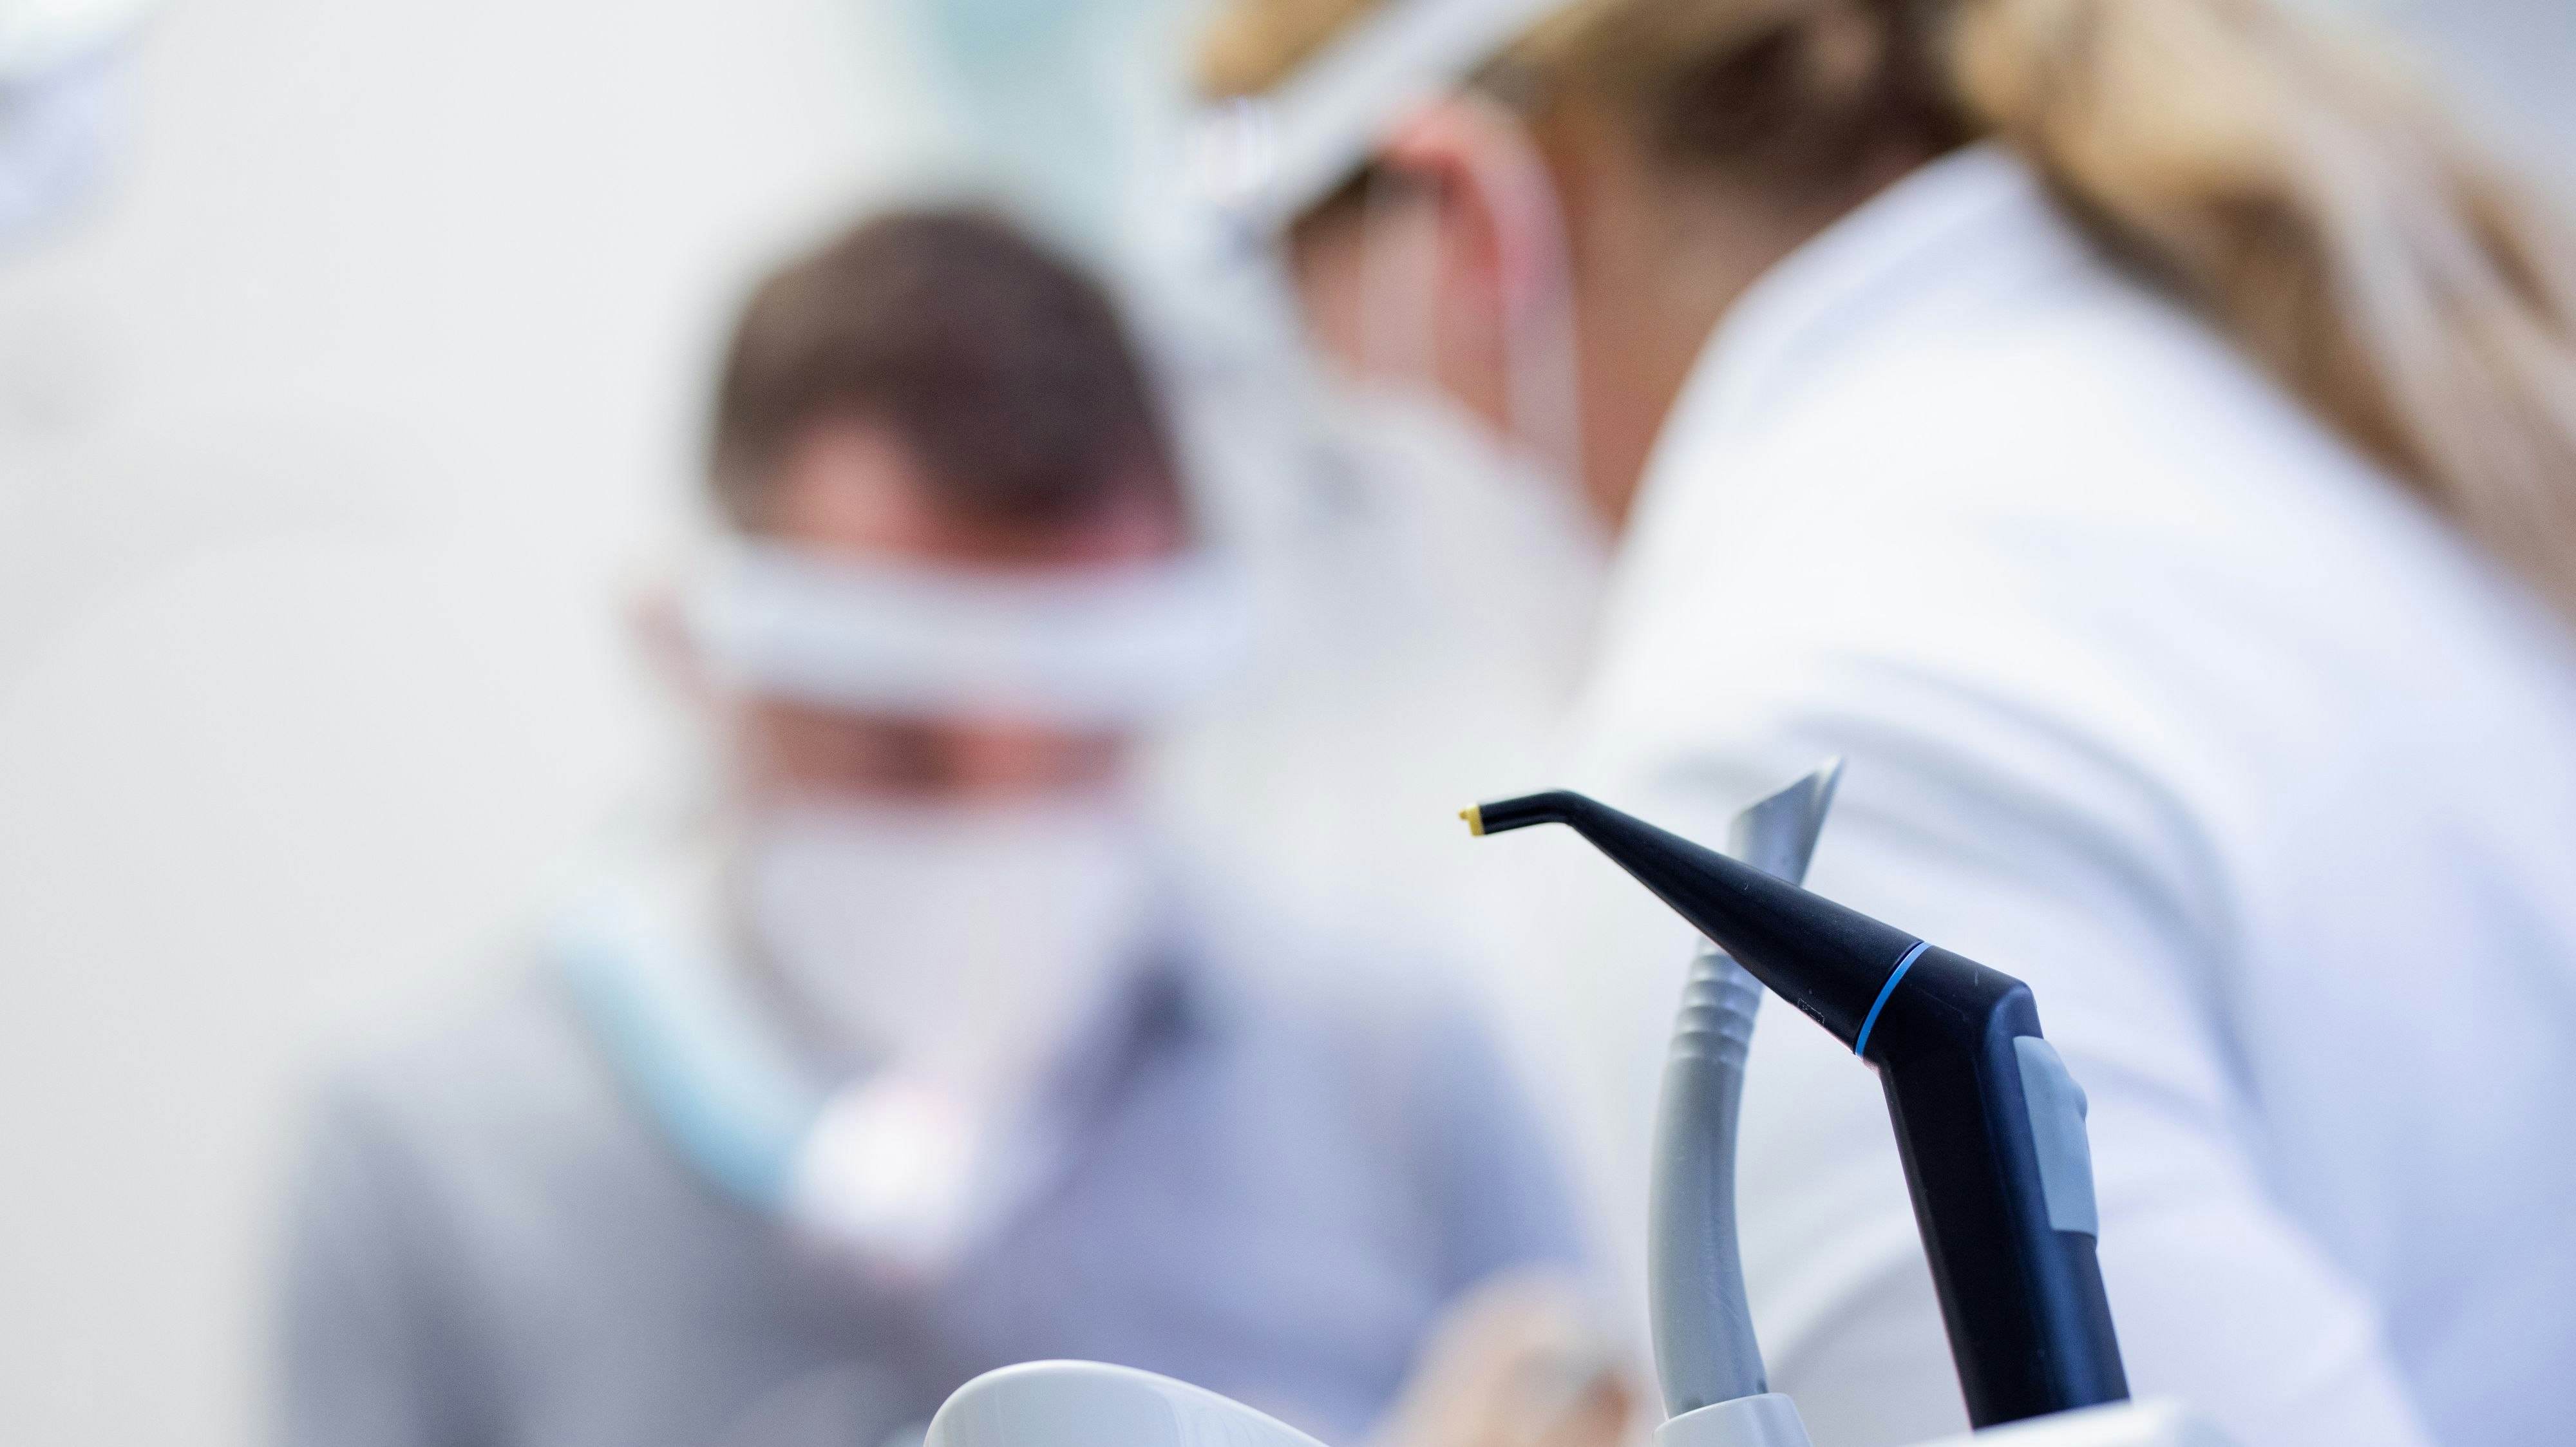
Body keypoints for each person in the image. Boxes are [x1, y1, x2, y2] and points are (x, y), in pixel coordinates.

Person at [1191, 3, 2576, 1446]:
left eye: (1337, 392)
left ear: (1466, 219)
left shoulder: (1764, 750)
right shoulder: (2323, 405)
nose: (1380, 462)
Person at [272, 209, 1620, 1447]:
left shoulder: (1387, 1059)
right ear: (703, 655)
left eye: (1081, 743)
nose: (1002, 823)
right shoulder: (426, 1153)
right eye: (903, 748)